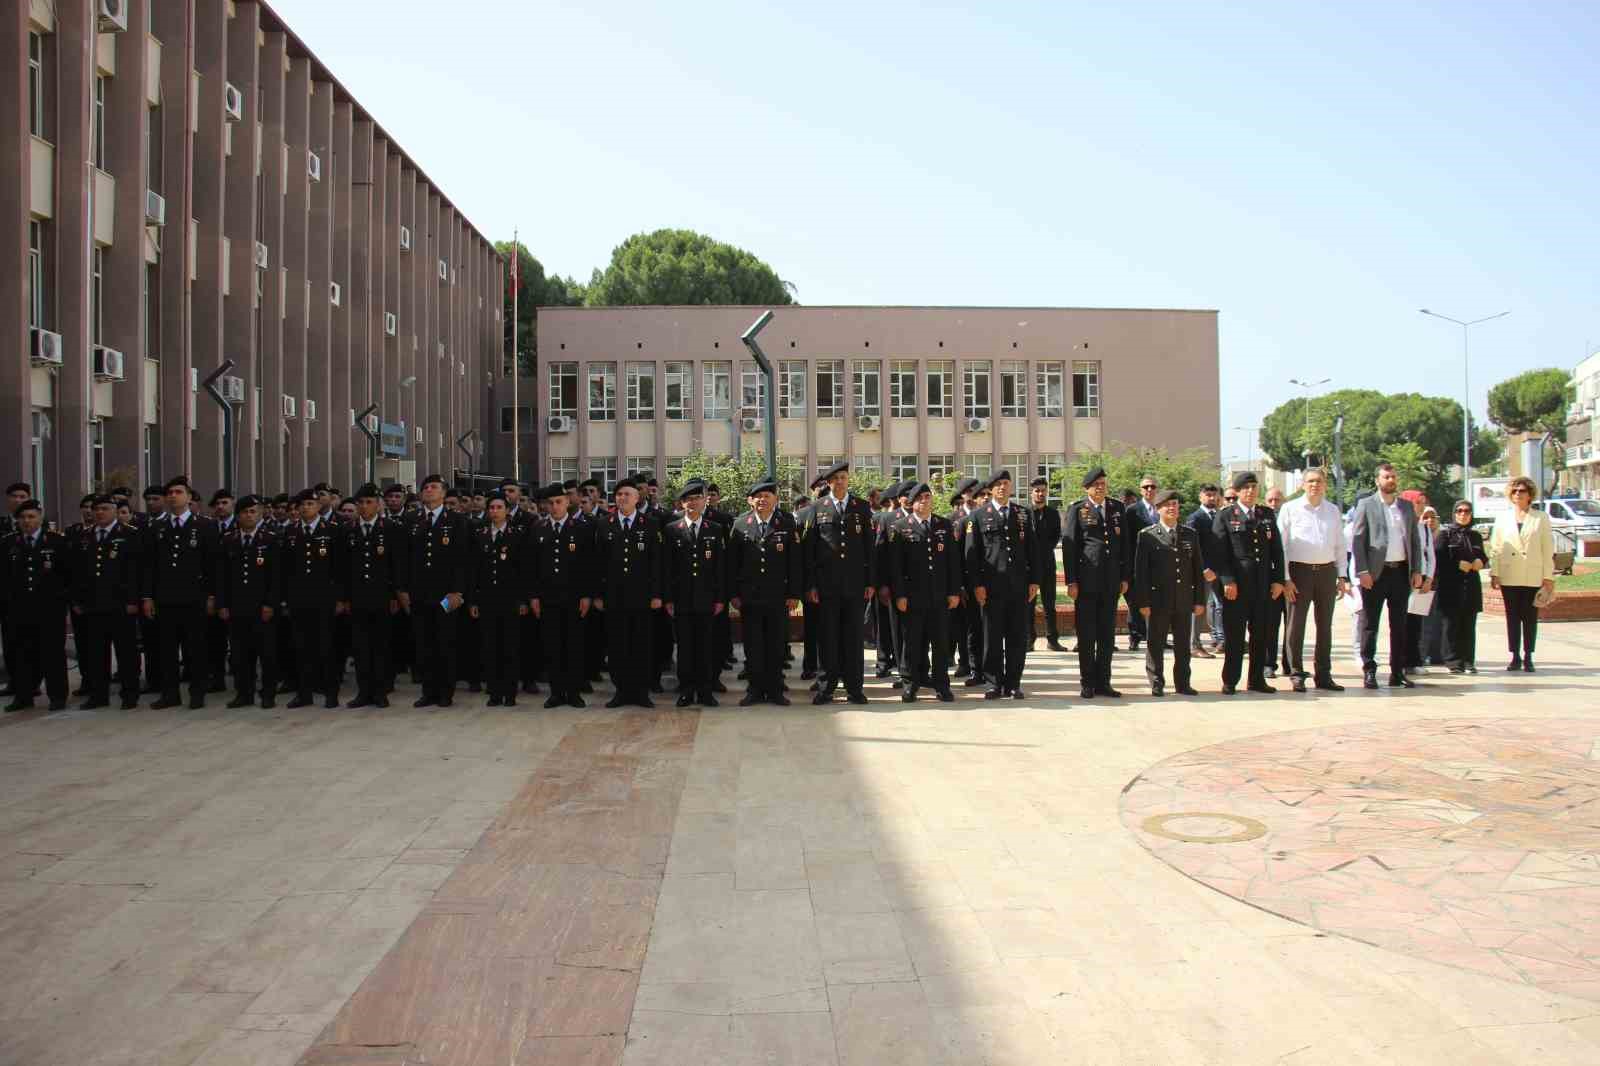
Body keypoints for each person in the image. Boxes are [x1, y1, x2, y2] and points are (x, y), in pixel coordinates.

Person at [142, 477, 220, 709]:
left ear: (189, 496)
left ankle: (197, 693)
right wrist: (147, 596)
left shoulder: (205, 526)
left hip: (194, 597)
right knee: (166, 649)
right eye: (170, 493)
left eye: (178, 492)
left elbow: (212, 565)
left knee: (195, 648)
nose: (173, 496)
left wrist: (212, 595)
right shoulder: (157, 527)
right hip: (165, 598)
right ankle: (170, 694)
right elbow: (149, 566)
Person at [802, 462, 875, 705]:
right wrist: (811, 585)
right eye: (835, 479)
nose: (840, 482)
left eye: (843, 477)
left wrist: (870, 581)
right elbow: (810, 550)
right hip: (827, 585)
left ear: (848, 479)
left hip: (855, 584)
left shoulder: (861, 506)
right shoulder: (817, 507)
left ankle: (855, 689)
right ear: (828, 483)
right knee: (828, 638)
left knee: (853, 639)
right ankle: (826, 688)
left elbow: (869, 546)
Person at [964, 470, 1041, 700]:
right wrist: (976, 585)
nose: (1003, 487)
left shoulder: (1023, 513)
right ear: (990, 489)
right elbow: (971, 555)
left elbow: (1033, 550)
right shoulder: (978, 516)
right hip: (991, 587)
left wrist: (1034, 580)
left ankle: (1014, 683)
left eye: (1006, 483)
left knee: (1017, 637)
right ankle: (994, 683)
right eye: (998, 484)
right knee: (993, 637)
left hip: (1018, 586)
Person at [1210, 472, 1286, 695]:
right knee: (1235, 635)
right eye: (1246, 488)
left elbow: (1277, 550)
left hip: (1262, 585)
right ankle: (1230, 680)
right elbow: (1219, 552)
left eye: (1254, 487)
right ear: (1237, 491)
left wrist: (1278, 580)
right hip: (1237, 587)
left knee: (1261, 634)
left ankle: (1256, 680)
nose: (1251, 491)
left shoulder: (1266, 514)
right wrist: (1227, 580)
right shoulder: (1226, 515)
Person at [1349, 463, 1423, 689]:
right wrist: (1362, 571)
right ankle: (1369, 670)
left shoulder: (1406, 507)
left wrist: (1416, 570)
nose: (1391, 480)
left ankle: (1397, 672)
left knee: (1399, 625)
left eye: (1393, 477)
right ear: (1377, 480)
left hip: (1400, 572)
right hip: (1375, 574)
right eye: (1386, 477)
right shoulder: (1367, 505)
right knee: (1370, 624)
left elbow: (1414, 540)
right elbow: (1358, 540)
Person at [729, 480, 801, 706]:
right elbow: (732, 563)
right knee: (753, 646)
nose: (762, 500)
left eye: (767, 496)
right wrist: (734, 594)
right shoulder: (740, 524)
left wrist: (794, 594)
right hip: (750, 597)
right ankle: (755, 690)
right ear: (751, 501)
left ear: (775, 499)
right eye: (758, 496)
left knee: (776, 645)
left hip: (778, 596)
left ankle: (775, 689)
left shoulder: (786, 524)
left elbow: (795, 562)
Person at [403, 474, 471, 707]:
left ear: (443, 493)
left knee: (445, 643)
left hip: (445, 595)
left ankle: (445, 692)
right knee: (424, 644)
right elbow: (405, 558)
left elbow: (462, 559)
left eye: (434, 487)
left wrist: (457, 591)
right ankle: (428, 691)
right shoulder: (411, 519)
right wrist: (404, 590)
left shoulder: (457, 520)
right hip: (419, 594)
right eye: (426, 487)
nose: (429, 490)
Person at [1276, 468, 1348, 692]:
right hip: (1299, 573)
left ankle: (1324, 675)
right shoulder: (1290, 509)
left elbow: (1340, 544)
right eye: (1310, 481)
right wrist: (1286, 578)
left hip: (1327, 572)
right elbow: (1281, 546)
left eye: (1319, 481)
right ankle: (1296, 673)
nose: (1315, 485)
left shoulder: (1333, 511)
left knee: (1325, 626)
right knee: (1296, 625)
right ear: (1302, 484)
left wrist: (1342, 575)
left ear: (1325, 484)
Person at [69, 494, 142, 710]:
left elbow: (135, 571)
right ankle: (98, 695)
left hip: (121, 604)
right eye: (96, 509)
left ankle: (129, 694)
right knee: (96, 653)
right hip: (93, 604)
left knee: (126, 652)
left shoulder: (129, 534)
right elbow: (77, 572)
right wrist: (77, 600)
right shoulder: (84, 536)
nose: (100, 512)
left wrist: (133, 600)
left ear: (115, 511)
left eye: (105, 508)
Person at [890, 482, 961, 702]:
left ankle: (942, 685)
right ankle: (910, 684)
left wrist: (954, 591)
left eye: (927, 497)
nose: (924, 501)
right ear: (912, 503)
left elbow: (953, 561)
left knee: (940, 643)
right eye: (919, 498)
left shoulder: (944, 525)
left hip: (939, 595)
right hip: (913, 596)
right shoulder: (901, 526)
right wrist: (900, 595)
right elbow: (896, 566)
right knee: (912, 643)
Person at [1063, 467, 1130, 699]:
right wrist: (1071, 580)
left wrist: (1125, 577)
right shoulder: (1077, 509)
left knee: (1106, 635)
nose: (1100, 487)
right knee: (1087, 634)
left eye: (1103, 483)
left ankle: (1104, 682)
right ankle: (1087, 682)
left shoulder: (1117, 508)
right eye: (1096, 485)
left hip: (1111, 580)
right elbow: (1070, 547)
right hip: (1086, 581)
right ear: (1087, 488)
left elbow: (1125, 544)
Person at [596, 478, 662, 708]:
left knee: (641, 645)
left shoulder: (650, 524)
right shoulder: (604, 524)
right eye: (619, 494)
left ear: (637, 498)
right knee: (617, 646)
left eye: (627, 494)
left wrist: (656, 594)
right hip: (614, 597)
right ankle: (621, 691)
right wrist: (599, 595)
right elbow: (597, 563)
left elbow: (656, 562)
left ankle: (641, 692)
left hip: (642, 597)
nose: (622, 498)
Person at [1132, 490, 1205, 696]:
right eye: (1167, 505)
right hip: (1158, 599)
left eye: (1175, 504)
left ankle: (1183, 683)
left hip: (1183, 598)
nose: (1172, 508)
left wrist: (1199, 599)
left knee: (1182, 644)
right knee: (1155, 643)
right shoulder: (1147, 535)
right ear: (1158, 509)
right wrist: (1143, 601)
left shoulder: (1190, 534)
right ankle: (1156, 681)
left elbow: (1197, 569)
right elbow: (1141, 572)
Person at [528, 483, 594, 709]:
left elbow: (588, 566)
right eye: (551, 503)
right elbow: (532, 566)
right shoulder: (538, 527)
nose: (555, 506)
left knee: (574, 646)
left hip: (574, 598)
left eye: (559, 502)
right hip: (548, 598)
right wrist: (534, 596)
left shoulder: (581, 528)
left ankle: (573, 692)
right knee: (552, 646)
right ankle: (556, 692)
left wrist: (586, 595)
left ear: (567, 502)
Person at [2, 500, 71, 711]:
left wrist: (63, 601)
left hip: (49, 609)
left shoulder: (56, 541)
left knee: (53, 654)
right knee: (21, 654)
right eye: (22, 517)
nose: (26, 521)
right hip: (19, 609)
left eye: (31, 516)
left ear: (40, 518)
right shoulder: (9, 543)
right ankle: (23, 696)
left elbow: (67, 574)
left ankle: (57, 696)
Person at [281, 489, 346, 708]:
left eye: (310, 503)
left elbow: (339, 567)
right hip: (299, 599)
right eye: (302, 504)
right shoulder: (290, 531)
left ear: (319, 506)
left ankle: (331, 693)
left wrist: (340, 599)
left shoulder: (332, 530)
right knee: (301, 648)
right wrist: (285, 599)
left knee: (326, 647)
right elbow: (285, 569)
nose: (306, 508)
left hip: (324, 599)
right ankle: (304, 693)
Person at [664, 481, 726, 708]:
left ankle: (705, 690)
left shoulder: (715, 529)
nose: (692, 503)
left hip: (707, 599)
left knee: (706, 647)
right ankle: (686, 690)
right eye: (688, 499)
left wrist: (720, 598)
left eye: (697, 498)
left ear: (704, 501)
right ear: (682, 503)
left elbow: (720, 567)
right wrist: (668, 598)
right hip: (681, 599)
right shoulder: (672, 529)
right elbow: (667, 568)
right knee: (685, 647)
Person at [342, 484, 405, 708]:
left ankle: (380, 692)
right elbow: (342, 568)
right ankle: (363, 692)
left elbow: (397, 566)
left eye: (369, 502)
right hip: (357, 598)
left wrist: (396, 596)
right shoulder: (348, 530)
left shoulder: (391, 528)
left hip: (382, 598)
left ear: (378, 505)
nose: (364, 506)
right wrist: (345, 598)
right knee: (360, 648)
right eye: (360, 502)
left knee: (381, 646)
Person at [217, 495, 281, 709]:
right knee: (240, 654)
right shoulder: (229, 539)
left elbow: (276, 577)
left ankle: (268, 694)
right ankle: (244, 693)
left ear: (260, 513)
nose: (249, 515)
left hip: (262, 607)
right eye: (245, 512)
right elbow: (222, 576)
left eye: (253, 511)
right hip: (237, 607)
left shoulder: (270, 539)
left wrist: (270, 604)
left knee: (267, 653)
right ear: (238, 516)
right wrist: (222, 604)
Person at [1487, 476, 1555, 672]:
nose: (1518, 494)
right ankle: (1515, 656)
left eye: (1522, 491)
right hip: (1510, 575)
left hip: (1532, 575)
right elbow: (1496, 547)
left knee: (1530, 617)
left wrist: (1548, 576)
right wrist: (1495, 572)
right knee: (1513, 617)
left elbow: (1547, 549)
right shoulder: (1503, 518)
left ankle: (1528, 656)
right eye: (1515, 491)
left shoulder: (1541, 518)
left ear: (1529, 494)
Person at [468, 493, 526, 707]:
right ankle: (494, 692)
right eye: (491, 507)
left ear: (507, 510)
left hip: (510, 600)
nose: (494, 511)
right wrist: (473, 601)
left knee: (510, 647)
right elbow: (474, 571)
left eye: (499, 507)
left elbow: (523, 570)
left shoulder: (517, 534)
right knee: (490, 647)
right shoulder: (480, 534)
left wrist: (523, 600)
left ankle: (509, 693)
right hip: (487, 599)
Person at [1435, 499, 1487, 674]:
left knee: (1469, 625)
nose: (1463, 514)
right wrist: (1457, 565)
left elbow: (1482, 555)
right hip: (1451, 586)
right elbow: (1439, 560)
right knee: (1451, 625)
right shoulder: (1445, 535)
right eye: (1459, 511)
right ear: (1454, 513)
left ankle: (1468, 661)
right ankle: (1453, 662)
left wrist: (1481, 561)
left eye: (1467, 511)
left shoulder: (1475, 536)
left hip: (1471, 586)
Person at [1184, 484, 1224, 657]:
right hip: (1204, 571)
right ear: (1200, 497)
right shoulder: (1195, 518)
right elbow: (1191, 547)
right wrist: (1203, 568)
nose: (1212, 498)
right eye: (1208, 495)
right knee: (1199, 607)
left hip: (1221, 570)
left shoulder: (1221, 516)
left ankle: (1222, 640)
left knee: (1221, 606)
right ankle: (1194, 644)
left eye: (1214, 495)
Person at [1027, 476, 1064, 651]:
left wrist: (1042, 551)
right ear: (1031, 493)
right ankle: (1029, 639)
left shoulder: (1053, 513)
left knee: (1050, 604)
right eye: (1037, 491)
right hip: (1029, 566)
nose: (1040, 494)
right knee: (1029, 605)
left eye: (1043, 490)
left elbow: (1056, 536)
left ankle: (1052, 640)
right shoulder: (1024, 513)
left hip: (1047, 564)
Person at [1403, 499, 1439, 676]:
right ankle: (1401, 661)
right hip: (1404, 578)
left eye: (1423, 503)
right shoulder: (1402, 525)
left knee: (1417, 623)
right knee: (1402, 622)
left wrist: (1429, 578)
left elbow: (1430, 555)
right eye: (1417, 502)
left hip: (1423, 579)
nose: (1421, 506)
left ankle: (1414, 661)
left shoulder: (1424, 528)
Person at [1125, 477, 1161, 650]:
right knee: (1135, 602)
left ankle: (1157, 636)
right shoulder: (1132, 511)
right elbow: (1127, 540)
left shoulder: (1161, 509)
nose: (1149, 489)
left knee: (1158, 601)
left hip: (1158, 564)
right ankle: (1135, 636)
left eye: (1152, 486)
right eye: (1146, 487)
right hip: (1138, 563)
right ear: (1141, 490)